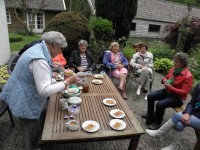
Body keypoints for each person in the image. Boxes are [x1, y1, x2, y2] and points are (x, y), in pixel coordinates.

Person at [0, 31, 78, 150]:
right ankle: (32, 147)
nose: (61, 52)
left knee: (43, 113)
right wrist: (66, 82)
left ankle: (40, 140)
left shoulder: (38, 47)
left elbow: (42, 77)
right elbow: (44, 91)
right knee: (30, 130)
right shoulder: (39, 60)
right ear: (54, 45)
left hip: (22, 92)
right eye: (61, 48)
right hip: (26, 100)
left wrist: (56, 83)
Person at [141, 52, 193, 130]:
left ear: (182, 63)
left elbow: (184, 92)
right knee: (150, 96)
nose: (174, 63)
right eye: (174, 61)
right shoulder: (173, 69)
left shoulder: (188, 76)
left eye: (176, 62)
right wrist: (165, 80)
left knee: (160, 104)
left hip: (178, 98)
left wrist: (171, 87)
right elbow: (166, 78)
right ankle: (150, 114)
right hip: (169, 91)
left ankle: (158, 122)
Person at [145, 83, 200, 150]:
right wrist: (187, 113)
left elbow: (184, 92)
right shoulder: (199, 87)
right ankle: (174, 146)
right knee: (179, 124)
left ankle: (158, 133)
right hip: (194, 113)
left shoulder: (188, 76)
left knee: (178, 115)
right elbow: (191, 103)